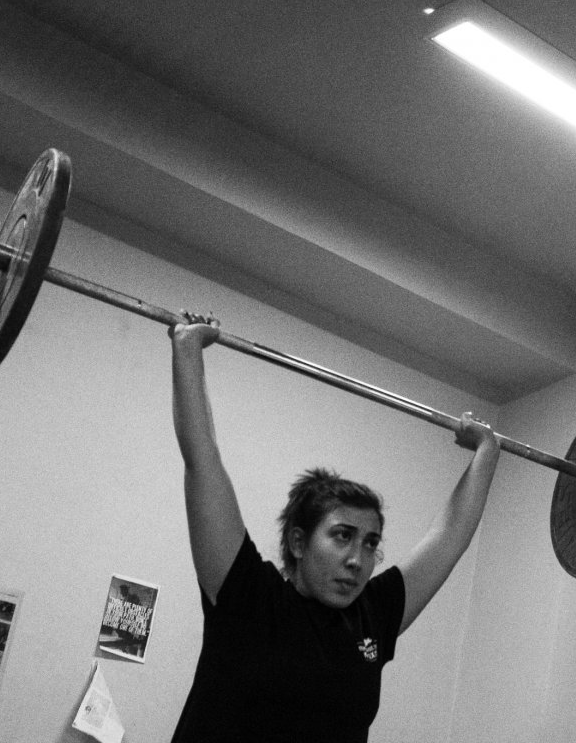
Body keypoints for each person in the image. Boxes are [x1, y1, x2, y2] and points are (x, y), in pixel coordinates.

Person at [168, 312, 500, 742]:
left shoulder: (372, 616)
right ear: (299, 541)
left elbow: (450, 538)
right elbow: (202, 459)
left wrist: (488, 451)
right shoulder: (249, 598)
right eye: (343, 536)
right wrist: (188, 349)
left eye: (371, 543)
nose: (358, 560)